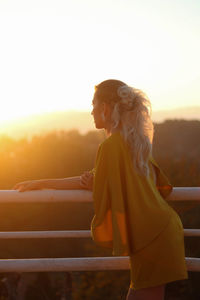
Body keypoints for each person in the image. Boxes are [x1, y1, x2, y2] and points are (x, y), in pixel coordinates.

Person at [14, 79, 188, 300]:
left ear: (105, 108)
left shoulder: (110, 146)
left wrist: (42, 183)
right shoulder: (135, 142)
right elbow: (114, 182)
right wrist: (42, 182)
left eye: (93, 105)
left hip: (150, 235)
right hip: (160, 230)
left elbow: (104, 184)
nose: (91, 112)